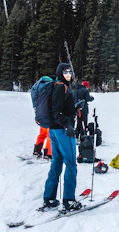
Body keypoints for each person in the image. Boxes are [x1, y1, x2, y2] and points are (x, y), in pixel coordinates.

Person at [42, 63, 82, 213]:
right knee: (71, 164)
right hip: (62, 131)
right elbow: (56, 111)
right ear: (60, 73)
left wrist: (75, 107)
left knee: (57, 162)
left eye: (69, 72)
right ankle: (69, 200)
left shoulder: (60, 86)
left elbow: (61, 108)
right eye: (65, 72)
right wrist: (68, 125)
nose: (68, 74)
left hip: (55, 130)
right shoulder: (60, 87)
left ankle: (50, 197)